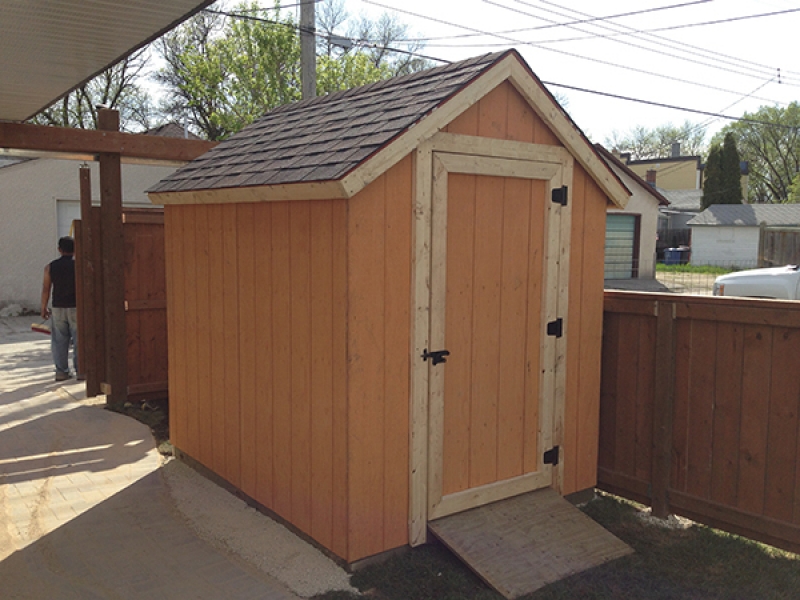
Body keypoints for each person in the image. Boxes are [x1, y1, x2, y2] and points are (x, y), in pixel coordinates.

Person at [41, 236, 78, 381]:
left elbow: (46, 288)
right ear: (75, 250)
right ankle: (81, 370)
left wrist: (43, 307)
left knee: (59, 341)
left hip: (58, 307)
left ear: (59, 249)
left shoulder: (50, 267)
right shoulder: (79, 265)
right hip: (76, 306)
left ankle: (61, 371)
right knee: (79, 340)